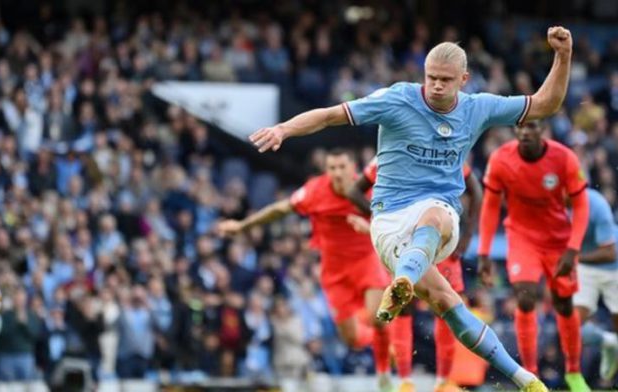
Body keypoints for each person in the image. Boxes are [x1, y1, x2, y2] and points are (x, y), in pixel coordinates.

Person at [247, 25, 576, 392]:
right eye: (431, 77)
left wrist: (562, 56)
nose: (435, 85)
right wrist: (283, 130)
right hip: (389, 221)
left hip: (439, 219)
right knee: (446, 302)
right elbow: (328, 115)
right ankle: (525, 380)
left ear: (464, 79)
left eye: (445, 80)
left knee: (435, 215)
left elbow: (546, 103)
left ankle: (405, 284)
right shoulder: (396, 100)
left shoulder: (478, 108)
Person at [217, 149, 394, 391]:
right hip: (334, 270)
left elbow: (393, 223)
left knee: (378, 317)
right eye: (332, 168)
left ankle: (384, 375)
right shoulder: (315, 191)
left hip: (366, 260)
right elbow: (280, 209)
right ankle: (381, 340)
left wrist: (370, 225)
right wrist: (242, 225)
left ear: (354, 168)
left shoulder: (372, 190)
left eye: (342, 167)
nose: (337, 173)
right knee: (352, 340)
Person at [347, 159, 481, 392]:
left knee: (446, 307)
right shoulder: (389, 154)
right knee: (403, 305)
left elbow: (475, 189)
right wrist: (382, 219)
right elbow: (354, 191)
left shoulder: (444, 146)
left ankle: (443, 382)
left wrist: (467, 235)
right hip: (404, 240)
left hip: (440, 237)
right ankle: (405, 381)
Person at [477, 120, 590, 392]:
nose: (526, 132)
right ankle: (531, 376)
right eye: (521, 128)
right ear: (515, 131)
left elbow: (581, 204)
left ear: (544, 131)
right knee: (525, 298)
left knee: (563, 304)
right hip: (521, 237)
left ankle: (573, 372)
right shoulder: (502, 159)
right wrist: (484, 252)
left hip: (558, 241)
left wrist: (573, 247)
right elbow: (491, 207)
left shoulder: (564, 158)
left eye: (533, 127)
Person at [572, 188, 618, 383]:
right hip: (584, 267)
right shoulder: (555, 205)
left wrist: (574, 258)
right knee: (571, 328)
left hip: (614, 267)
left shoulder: (597, 205)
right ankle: (608, 342)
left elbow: (610, 253)